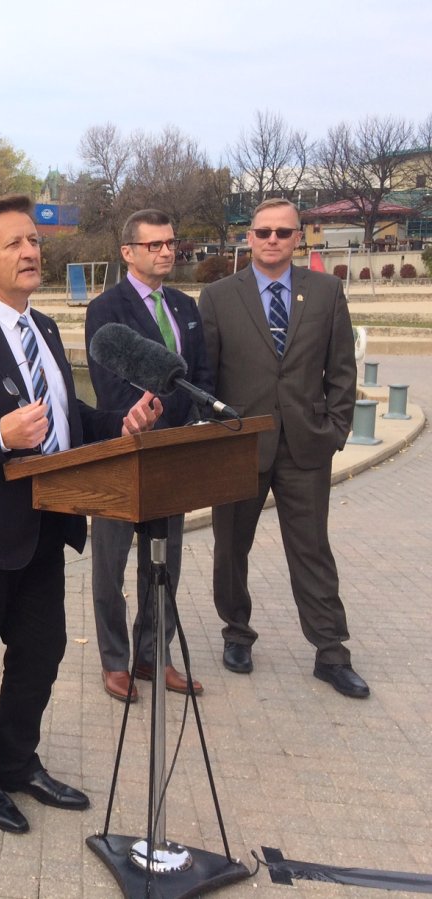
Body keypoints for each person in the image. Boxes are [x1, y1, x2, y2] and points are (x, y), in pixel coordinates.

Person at [0, 194, 162, 834]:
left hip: (47, 522)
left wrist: (120, 422)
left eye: (35, 243)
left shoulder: (44, 327)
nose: (30, 253)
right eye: (15, 243)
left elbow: (66, 417)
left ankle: (17, 763)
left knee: (42, 651)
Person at [198, 198, 368, 699]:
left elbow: (341, 370)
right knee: (231, 548)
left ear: (299, 239)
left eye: (283, 232)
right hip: (240, 445)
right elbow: (205, 376)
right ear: (248, 237)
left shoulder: (326, 292)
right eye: (263, 232)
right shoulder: (218, 297)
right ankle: (237, 634)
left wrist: (336, 429)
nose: (272, 240)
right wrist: (214, 434)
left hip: (305, 446)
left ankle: (331, 652)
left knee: (312, 550)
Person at [84, 210, 213, 704]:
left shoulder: (185, 306)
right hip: (123, 451)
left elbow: (201, 375)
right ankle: (115, 661)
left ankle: (153, 655)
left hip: (172, 455)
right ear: (128, 253)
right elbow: (111, 386)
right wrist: (145, 419)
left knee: (165, 563)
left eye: (170, 243)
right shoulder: (106, 309)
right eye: (155, 244)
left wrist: (189, 425)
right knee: (110, 566)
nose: (166, 251)